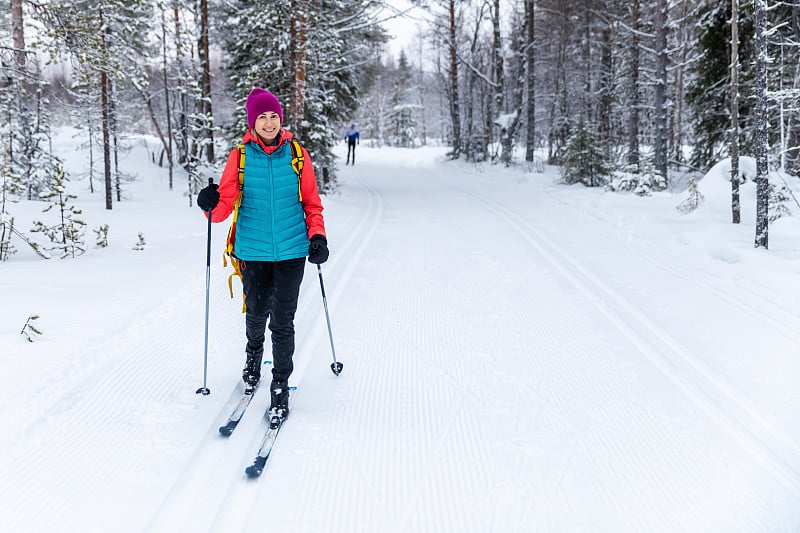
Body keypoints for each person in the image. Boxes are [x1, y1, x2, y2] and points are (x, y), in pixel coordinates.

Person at [196, 87, 328, 423]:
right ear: (252, 122)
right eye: (262, 117)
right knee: (256, 312)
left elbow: (312, 203)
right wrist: (210, 204)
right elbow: (224, 205)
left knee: (283, 321)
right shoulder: (239, 157)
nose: (269, 122)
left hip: (292, 250)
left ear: (280, 119)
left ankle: (280, 385)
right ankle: (253, 356)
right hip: (252, 250)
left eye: (273, 116)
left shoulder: (298, 155)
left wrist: (318, 236)